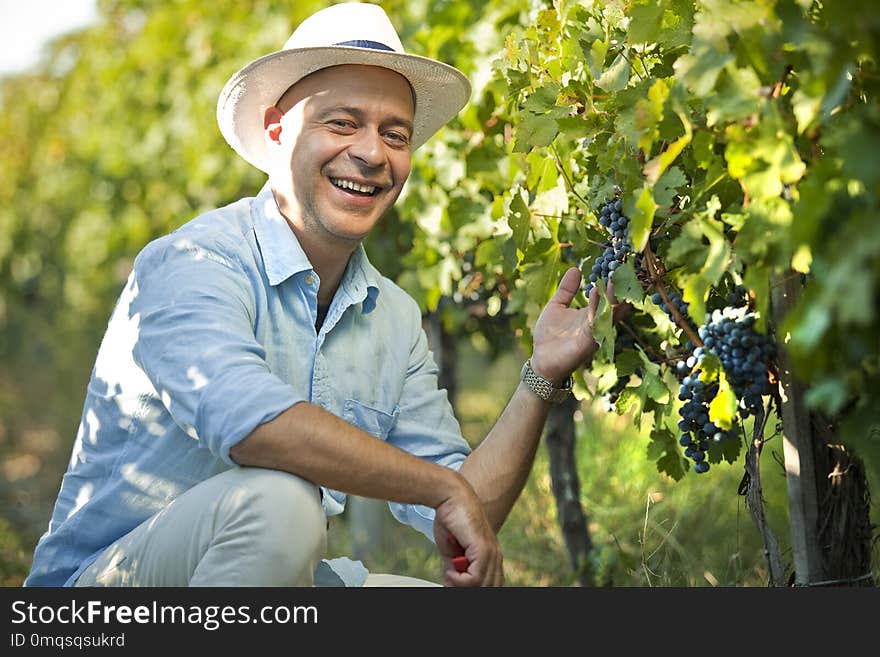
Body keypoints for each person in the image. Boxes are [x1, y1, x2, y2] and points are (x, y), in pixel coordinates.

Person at [24, 1, 601, 588]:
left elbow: (461, 512)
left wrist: (542, 375)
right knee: (281, 502)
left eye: (394, 133)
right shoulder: (193, 262)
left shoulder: (393, 317)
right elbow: (252, 426)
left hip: (280, 583)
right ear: (276, 131)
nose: (373, 153)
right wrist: (441, 487)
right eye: (342, 123)